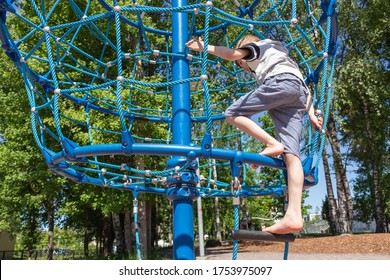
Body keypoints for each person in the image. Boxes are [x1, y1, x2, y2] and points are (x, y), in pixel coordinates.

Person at [186, 35, 323, 234]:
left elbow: (232, 54)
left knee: (232, 113)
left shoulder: (257, 48)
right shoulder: (283, 54)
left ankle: (271, 143)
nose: (247, 69)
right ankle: (294, 214)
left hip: (280, 84)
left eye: (244, 66)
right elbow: (305, 89)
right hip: (298, 94)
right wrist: (310, 114)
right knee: (292, 156)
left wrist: (203, 47)